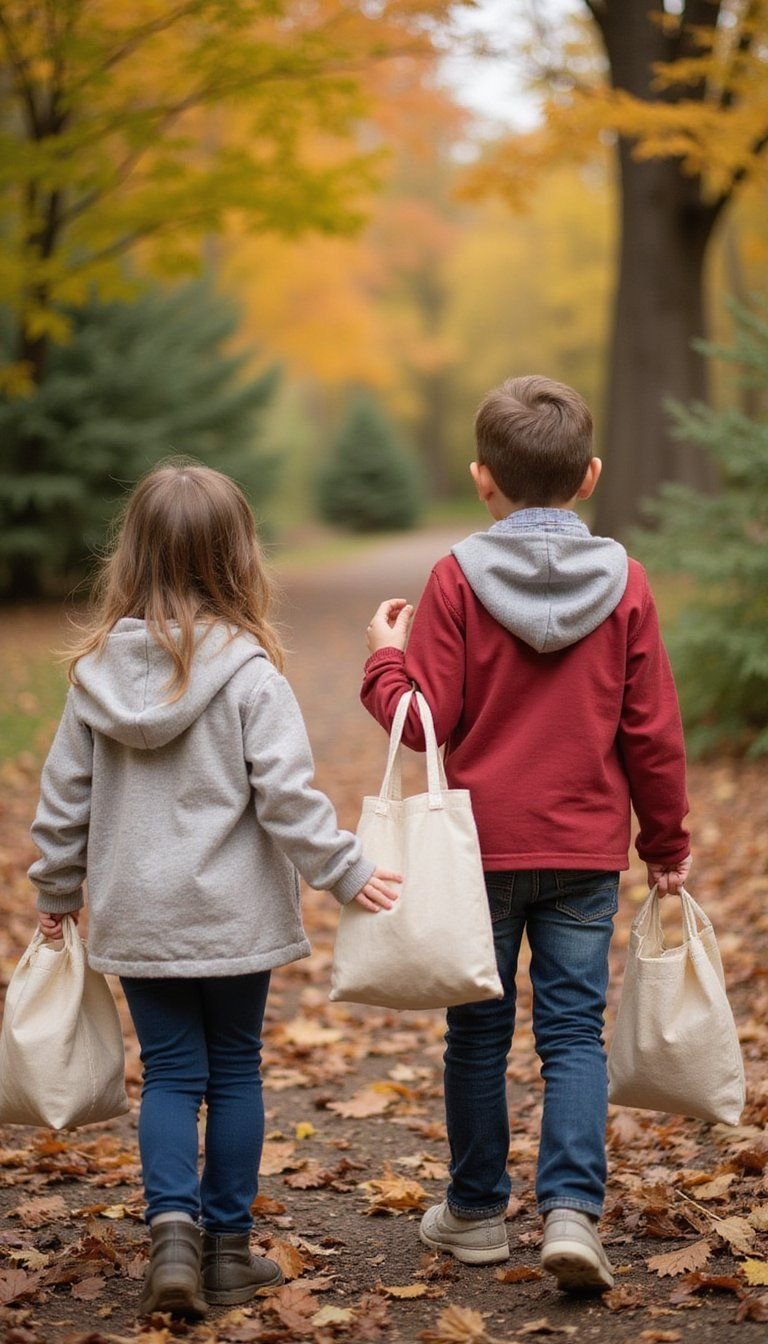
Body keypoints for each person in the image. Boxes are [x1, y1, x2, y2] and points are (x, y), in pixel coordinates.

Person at [29, 460, 400, 1319]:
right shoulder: (251, 674)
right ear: (239, 558)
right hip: (234, 916)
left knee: (168, 1073)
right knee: (233, 1070)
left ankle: (171, 1243)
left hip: (140, 916)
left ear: (133, 556)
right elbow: (289, 798)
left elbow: (63, 801)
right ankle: (227, 1254)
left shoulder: (94, 679)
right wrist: (346, 871)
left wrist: (57, 888)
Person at [360, 375, 691, 1293]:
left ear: (481, 479)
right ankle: (573, 1214)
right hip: (584, 850)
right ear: (587, 476)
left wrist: (385, 660)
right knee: (574, 1034)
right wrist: (665, 844)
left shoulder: (455, 579)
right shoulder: (625, 581)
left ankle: (472, 1213)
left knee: (477, 1031)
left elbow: (424, 722)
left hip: (480, 848)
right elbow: (651, 730)